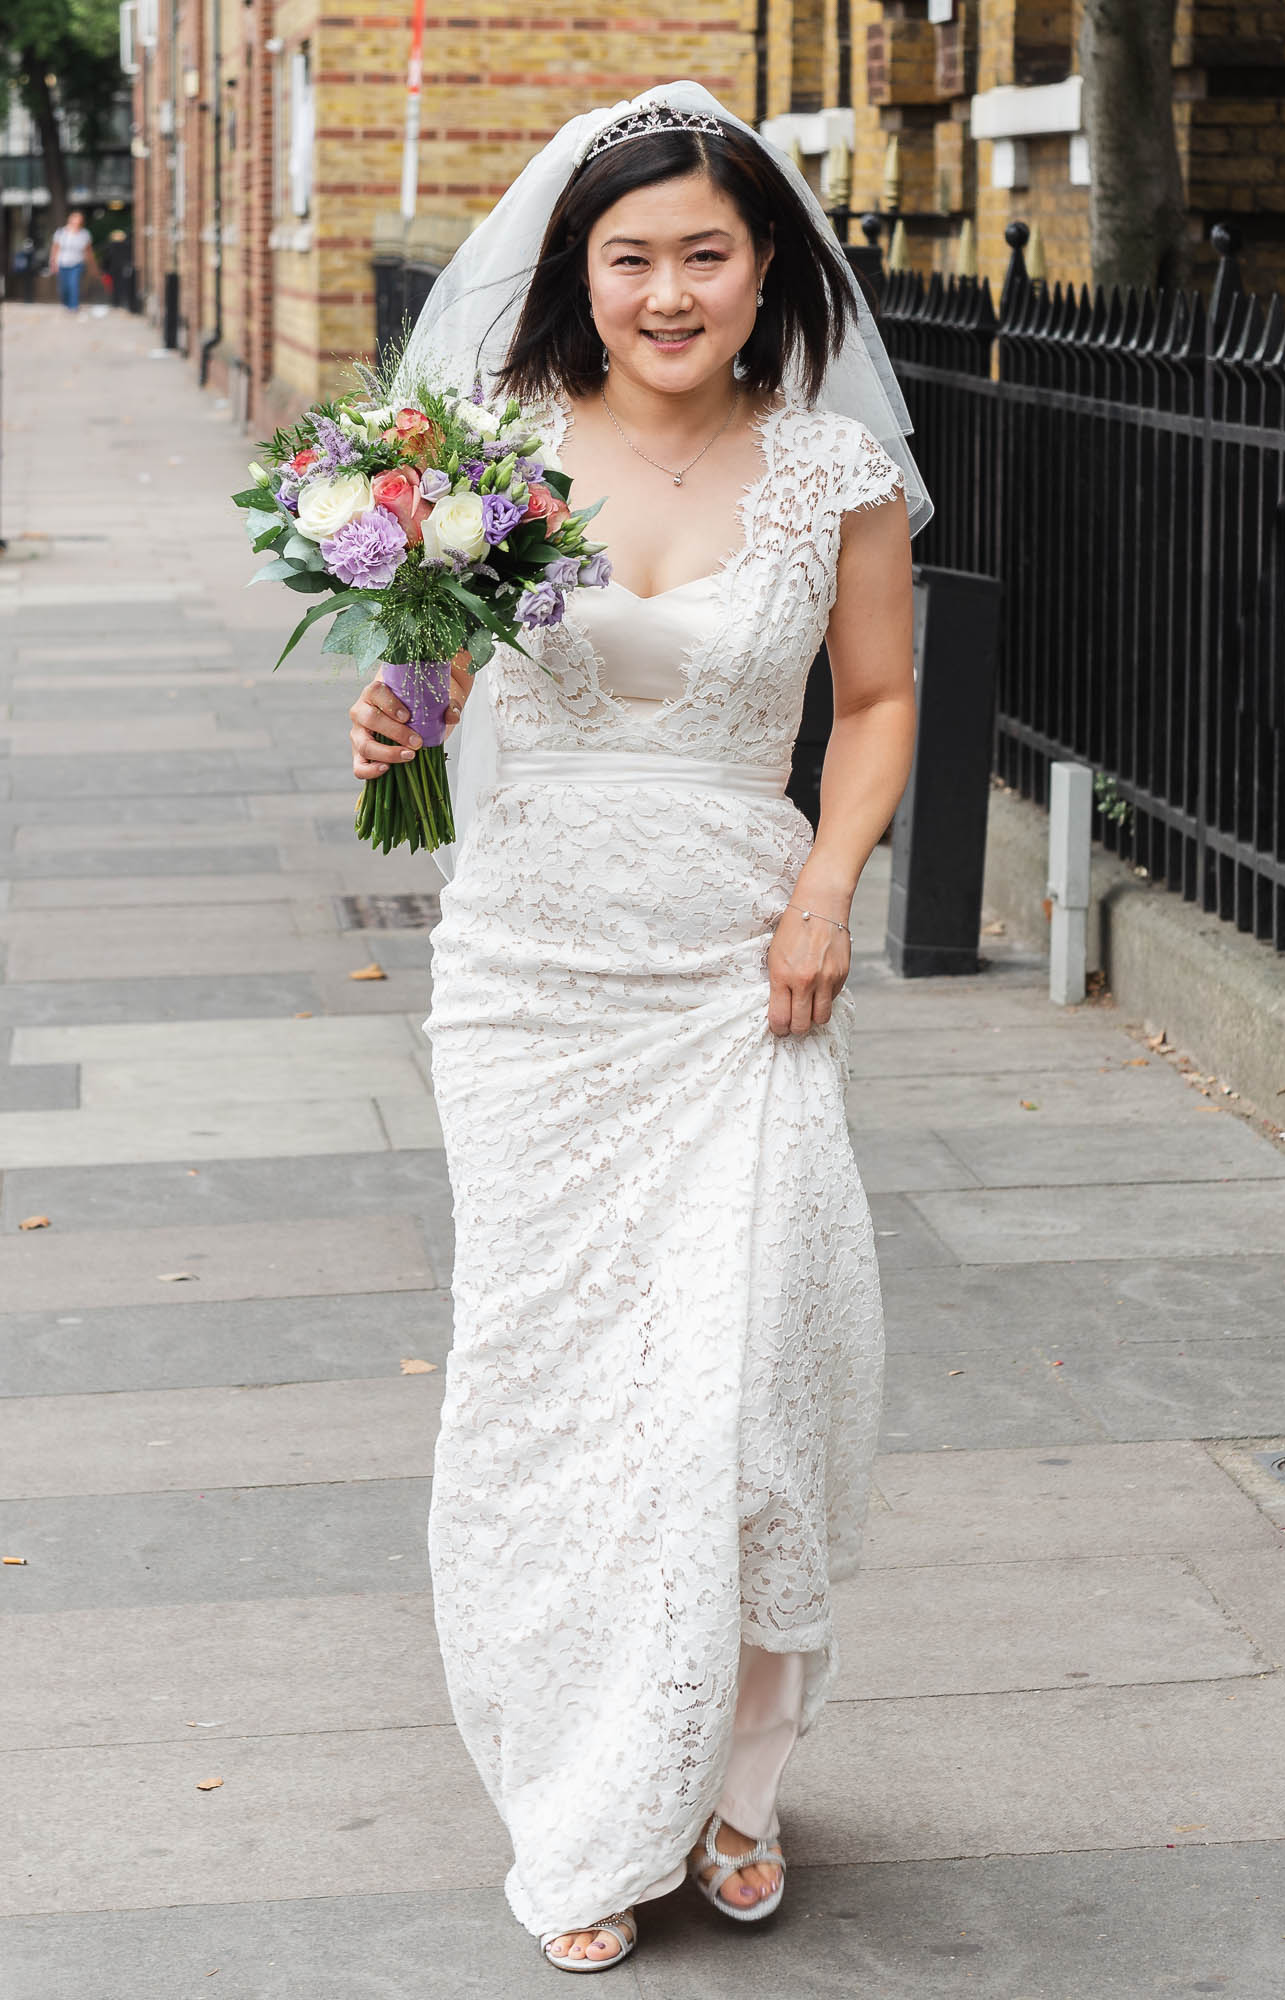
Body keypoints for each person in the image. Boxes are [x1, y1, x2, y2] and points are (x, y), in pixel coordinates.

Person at [346, 81, 930, 1975]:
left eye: (704, 254)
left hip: (741, 969)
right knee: (557, 1386)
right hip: (530, 976)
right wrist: (395, 724)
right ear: (577, 275)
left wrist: (830, 890)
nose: (668, 292)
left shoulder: (834, 474)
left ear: (766, 271)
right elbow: (428, 688)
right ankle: (588, 1803)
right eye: (632, 259)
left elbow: (875, 703)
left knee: (754, 1376)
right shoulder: (482, 455)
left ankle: (737, 1784)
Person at [48, 209, 96, 311]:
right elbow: (55, 249)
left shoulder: (84, 234)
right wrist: (53, 263)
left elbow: (88, 251)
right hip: (62, 263)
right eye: (75, 219)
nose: (77, 221)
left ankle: (73, 306)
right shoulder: (61, 232)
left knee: (74, 284)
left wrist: (92, 265)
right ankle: (66, 303)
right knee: (64, 288)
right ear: (70, 219)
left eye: (79, 219)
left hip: (77, 264)